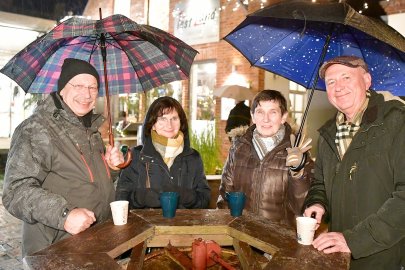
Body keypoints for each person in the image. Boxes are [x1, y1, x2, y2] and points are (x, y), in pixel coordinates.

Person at [2, 58, 124, 257]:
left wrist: (111, 169)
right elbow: (15, 191)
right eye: (78, 85)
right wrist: (64, 215)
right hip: (55, 250)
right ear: (62, 89)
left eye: (93, 87)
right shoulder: (37, 129)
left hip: (93, 244)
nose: (87, 94)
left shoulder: (90, 130)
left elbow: (84, 179)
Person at [303, 55, 405, 270]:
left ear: (367, 80)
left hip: (387, 256)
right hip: (341, 256)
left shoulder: (396, 121)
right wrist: (317, 203)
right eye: (331, 82)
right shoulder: (327, 133)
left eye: (346, 77)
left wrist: (356, 239)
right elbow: (320, 183)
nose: (338, 86)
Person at [217, 90, 313, 226]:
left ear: (284, 116)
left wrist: (298, 173)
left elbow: (302, 207)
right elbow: (225, 196)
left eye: (273, 112)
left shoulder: (298, 150)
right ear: (253, 116)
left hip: (279, 239)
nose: (266, 119)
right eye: (260, 112)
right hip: (241, 234)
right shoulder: (238, 148)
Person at [116, 96, 211, 209]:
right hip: (145, 225)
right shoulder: (135, 156)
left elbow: (205, 199)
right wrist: (142, 197)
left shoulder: (193, 157)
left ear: (181, 122)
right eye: (162, 119)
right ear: (153, 124)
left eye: (174, 118)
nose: (169, 125)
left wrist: (186, 196)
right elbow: (121, 199)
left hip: (183, 225)